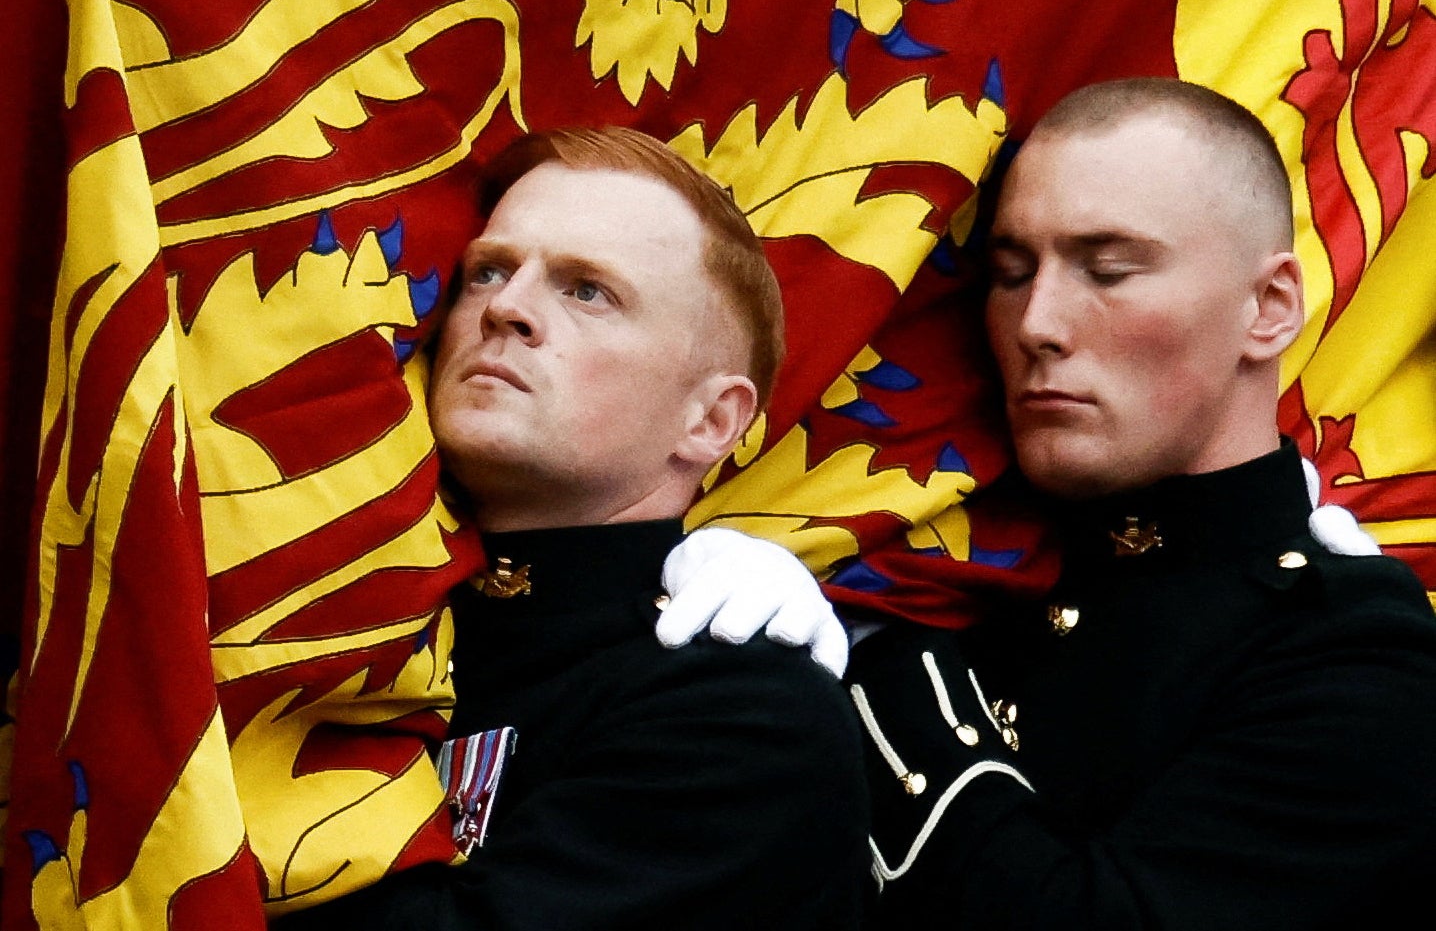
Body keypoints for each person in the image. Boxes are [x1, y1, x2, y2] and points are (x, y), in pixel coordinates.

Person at [844, 77, 1436, 930]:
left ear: (1269, 308)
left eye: (1109, 271)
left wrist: (879, 658)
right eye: (1010, 274)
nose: (1037, 322)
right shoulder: (964, 576)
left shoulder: (1353, 648)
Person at [275, 125, 870, 930]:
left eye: (587, 290)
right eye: (488, 270)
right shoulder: (348, 612)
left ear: (710, 419)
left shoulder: (750, 713)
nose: (506, 308)